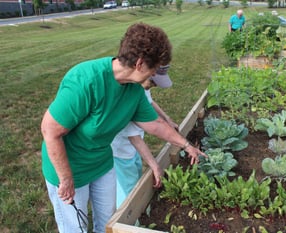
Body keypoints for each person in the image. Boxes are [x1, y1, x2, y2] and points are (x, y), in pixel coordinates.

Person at [40, 22, 206, 233]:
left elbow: (155, 125)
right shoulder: (86, 80)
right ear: (140, 64)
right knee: (76, 228)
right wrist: (65, 178)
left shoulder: (134, 91)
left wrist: (186, 145)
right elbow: (50, 131)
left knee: (109, 223)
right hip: (70, 168)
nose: (152, 76)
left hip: (101, 164)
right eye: (153, 69)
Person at [112, 64, 178, 208]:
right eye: (153, 82)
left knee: (135, 179)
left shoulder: (142, 86)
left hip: (131, 148)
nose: (154, 86)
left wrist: (167, 119)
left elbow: (149, 102)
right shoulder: (128, 94)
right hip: (120, 150)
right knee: (128, 190)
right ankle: (127, 220)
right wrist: (155, 166)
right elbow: (133, 137)